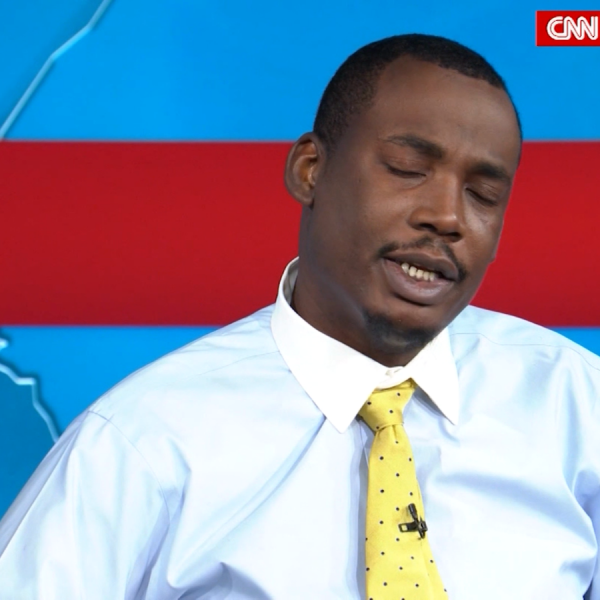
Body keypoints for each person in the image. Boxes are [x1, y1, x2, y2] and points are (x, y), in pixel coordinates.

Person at [0, 33, 598, 600]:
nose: (447, 216)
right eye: (407, 168)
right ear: (310, 169)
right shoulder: (140, 445)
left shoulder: (576, 405)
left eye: (484, 195)